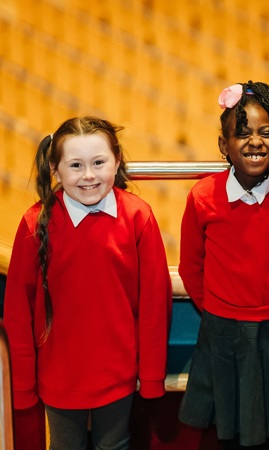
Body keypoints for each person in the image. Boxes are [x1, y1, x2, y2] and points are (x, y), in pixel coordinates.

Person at [4, 116, 172, 449]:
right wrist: (22, 386)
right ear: (55, 169)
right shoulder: (34, 223)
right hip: (59, 377)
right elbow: (18, 311)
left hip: (117, 373)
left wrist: (151, 378)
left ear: (117, 161)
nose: (89, 175)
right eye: (76, 165)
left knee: (115, 445)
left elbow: (155, 302)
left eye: (99, 162)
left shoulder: (139, 217)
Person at [178, 81, 269, 450]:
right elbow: (190, 267)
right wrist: (221, 308)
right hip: (222, 331)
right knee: (228, 432)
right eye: (242, 133)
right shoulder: (201, 197)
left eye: (266, 132)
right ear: (223, 145)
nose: (255, 142)